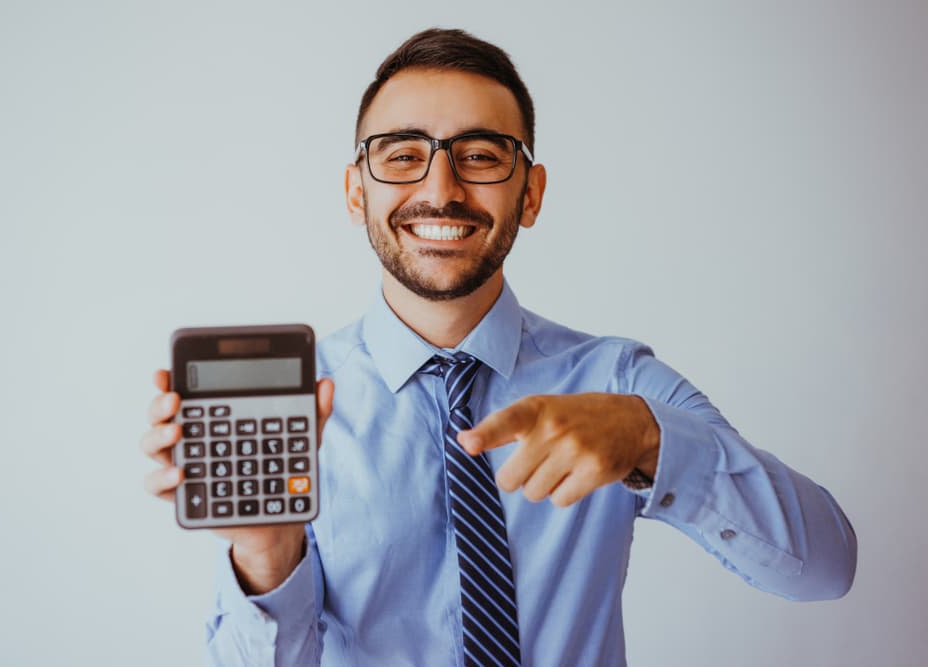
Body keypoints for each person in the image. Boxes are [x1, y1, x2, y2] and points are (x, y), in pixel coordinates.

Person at [141, 28, 857, 667]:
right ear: (357, 192)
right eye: (403, 155)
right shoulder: (298, 405)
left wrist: (648, 437)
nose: (441, 188)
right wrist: (265, 555)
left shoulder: (616, 380)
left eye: (480, 155)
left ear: (531, 194)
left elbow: (825, 566)